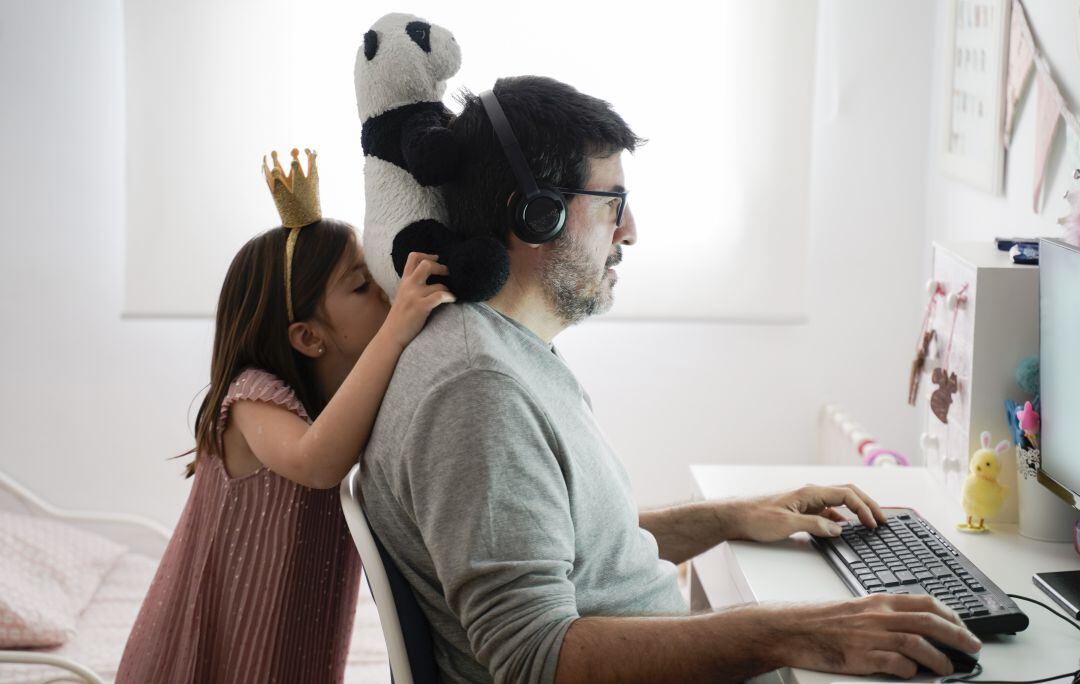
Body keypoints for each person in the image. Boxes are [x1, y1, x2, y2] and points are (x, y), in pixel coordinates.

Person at [358, 78, 983, 683]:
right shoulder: (478, 390)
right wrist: (795, 631)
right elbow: (535, 658)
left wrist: (736, 516)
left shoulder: (506, 352)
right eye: (613, 204)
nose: (630, 231)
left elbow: (588, 553)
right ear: (537, 214)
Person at [116, 149, 454, 683]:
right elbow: (315, 462)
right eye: (363, 285)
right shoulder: (252, 396)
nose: (385, 293)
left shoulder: (338, 403)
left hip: (289, 642)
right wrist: (397, 329)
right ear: (308, 337)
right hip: (205, 656)